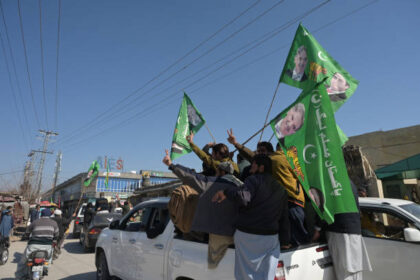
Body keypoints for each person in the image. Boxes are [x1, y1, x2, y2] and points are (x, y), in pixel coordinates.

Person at [212, 154, 290, 280]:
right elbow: (284, 217)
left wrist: (226, 192)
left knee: (245, 275)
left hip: (248, 236)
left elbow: (243, 197)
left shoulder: (253, 180)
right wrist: (285, 241)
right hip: (271, 238)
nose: (251, 166)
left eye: (253, 163)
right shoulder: (281, 188)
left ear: (261, 167)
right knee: (266, 275)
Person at [163, 149, 243, 268]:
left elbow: (191, 177)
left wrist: (171, 165)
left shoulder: (211, 184)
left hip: (212, 238)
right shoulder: (242, 187)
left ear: (221, 172)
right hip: (236, 238)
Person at [228, 130, 309, 246]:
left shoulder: (277, 159)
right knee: (296, 239)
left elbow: (255, 158)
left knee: (295, 240)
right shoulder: (293, 160)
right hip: (295, 201)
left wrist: (236, 144)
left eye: (263, 151)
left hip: (290, 202)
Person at [312, 182, 372, 280]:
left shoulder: (330, 182)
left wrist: (317, 229)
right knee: (354, 270)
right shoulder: (349, 182)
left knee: (345, 271)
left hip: (340, 232)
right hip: (354, 230)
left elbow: (324, 207)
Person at [15, 209, 59, 279]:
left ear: (41, 215)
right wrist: (54, 240)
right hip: (47, 246)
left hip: (33, 245)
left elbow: (27, 232)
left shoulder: (35, 222)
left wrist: (26, 236)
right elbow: (56, 234)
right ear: (50, 215)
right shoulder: (54, 223)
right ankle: (46, 267)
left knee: (22, 262)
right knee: (48, 259)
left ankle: (19, 277)